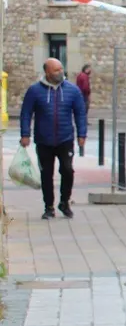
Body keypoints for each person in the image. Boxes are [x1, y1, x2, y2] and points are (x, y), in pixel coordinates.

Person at [19, 58, 88, 220]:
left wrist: (81, 134)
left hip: (65, 139)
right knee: (46, 174)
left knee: (67, 170)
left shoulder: (72, 90)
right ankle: (48, 206)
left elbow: (80, 113)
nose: (60, 72)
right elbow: (26, 113)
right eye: (56, 70)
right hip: (44, 140)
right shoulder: (35, 91)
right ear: (47, 72)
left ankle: (64, 201)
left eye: (61, 69)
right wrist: (25, 134)